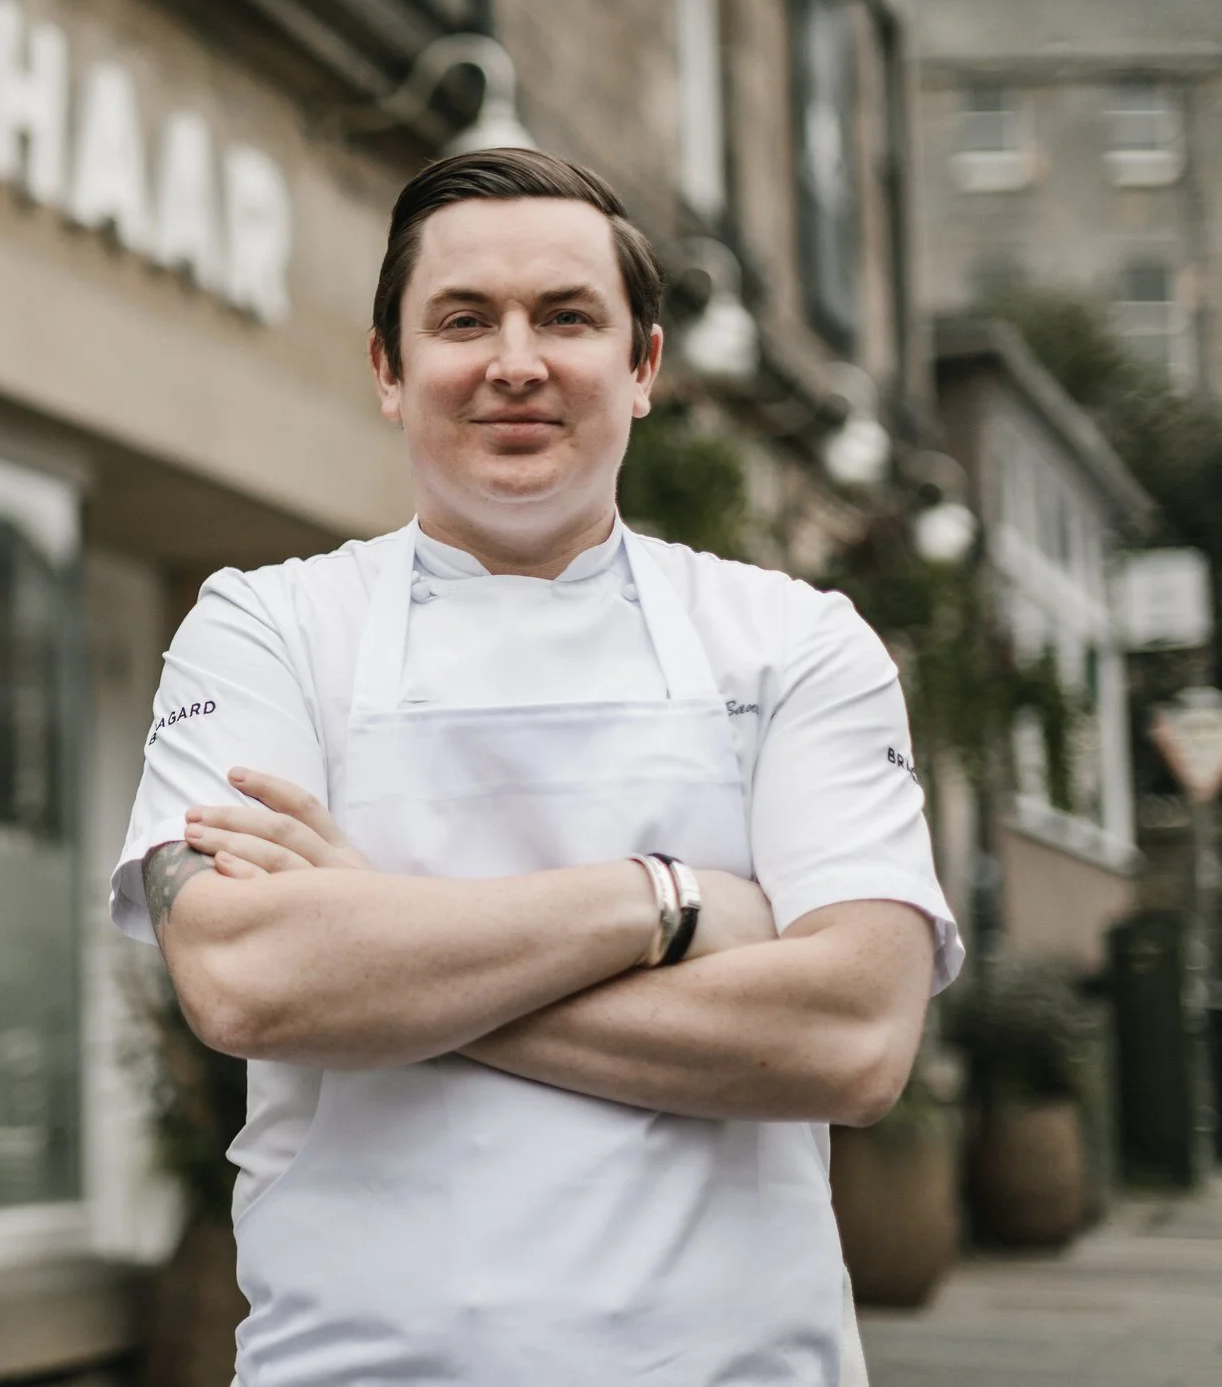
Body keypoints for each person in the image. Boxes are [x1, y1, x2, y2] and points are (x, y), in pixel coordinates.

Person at [110, 149, 961, 1387]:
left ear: (644, 367)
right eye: (463, 320)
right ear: (389, 372)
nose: (516, 361)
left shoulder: (793, 640)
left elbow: (852, 1040)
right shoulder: (267, 629)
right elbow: (249, 980)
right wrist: (661, 900)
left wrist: (384, 963)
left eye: (566, 316)